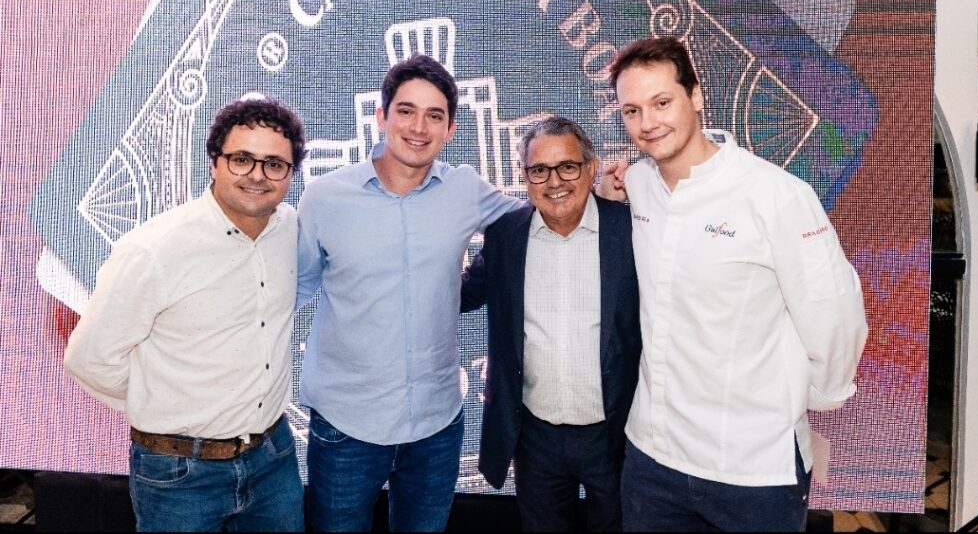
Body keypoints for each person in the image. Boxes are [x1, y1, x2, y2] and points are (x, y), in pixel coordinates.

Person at [600, 37, 868, 532]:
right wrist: (607, 188)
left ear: (696, 95)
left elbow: (835, 315)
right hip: (652, 461)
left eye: (662, 102)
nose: (648, 122)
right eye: (632, 111)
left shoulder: (777, 196)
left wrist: (807, 400)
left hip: (754, 470)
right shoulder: (638, 185)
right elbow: (614, 192)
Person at [296, 54, 523, 532]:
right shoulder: (324, 197)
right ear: (382, 116)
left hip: (436, 428)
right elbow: (288, 291)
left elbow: (535, 222)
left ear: (451, 129)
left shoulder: (465, 189)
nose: (418, 127)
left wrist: (603, 192)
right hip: (346, 427)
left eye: (434, 115)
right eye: (406, 111)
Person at [63, 97, 307, 532]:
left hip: (274, 459)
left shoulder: (288, 227)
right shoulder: (152, 250)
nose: (257, 175)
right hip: (179, 473)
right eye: (241, 159)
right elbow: (89, 360)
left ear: (291, 174)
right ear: (214, 162)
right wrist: (162, 403)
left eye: (274, 164)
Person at [461, 116, 641, 532]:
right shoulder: (506, 235)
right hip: (535, 438)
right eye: (540, 169)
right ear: (525, 177)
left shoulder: (631, 229)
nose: (554, 181)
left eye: (568, 167)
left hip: (615, 434)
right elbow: (461, 295)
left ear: (592, 169)